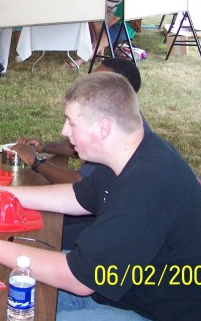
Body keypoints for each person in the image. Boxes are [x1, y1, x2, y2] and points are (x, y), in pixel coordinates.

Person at [0, 72, 201, 321]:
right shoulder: (133, 154)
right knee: (6, 292)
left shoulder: (144, 190)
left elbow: (78, 279)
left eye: (71, 122)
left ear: (103, 128)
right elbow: (77, 196)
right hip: (134, 290)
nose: (64, 131)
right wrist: (0, 192)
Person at [14, 57, 150, 248]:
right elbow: (81, 190)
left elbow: (79, 185)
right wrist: (45, 147)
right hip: (96, 210)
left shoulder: (133, 160)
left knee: (34, 235)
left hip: (101, 223)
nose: (88, 85)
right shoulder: (127, 127)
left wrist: (36, 161)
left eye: (99, 83)